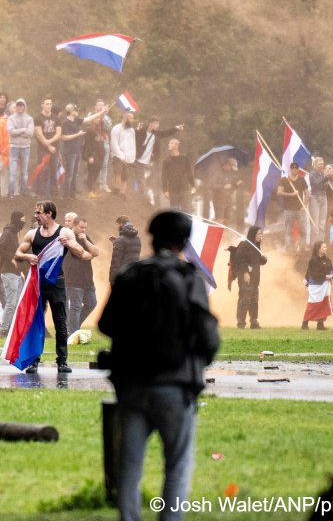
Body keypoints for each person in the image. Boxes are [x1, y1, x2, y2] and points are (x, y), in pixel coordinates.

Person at [98, 211, 219, 521]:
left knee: (129, 464)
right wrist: (196, 363)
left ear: (151, 238)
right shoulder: (188, 277)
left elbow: (107, 324)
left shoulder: (130, 275)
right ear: (185, 241)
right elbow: (208, 335)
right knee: (177, 466)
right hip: (176, 385)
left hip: (133, 386)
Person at [14, 201, 89, 373]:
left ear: (49, 214)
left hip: (56, 282)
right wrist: (27, 256)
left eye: (38, 212)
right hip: (37, 282)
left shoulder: (64, 232)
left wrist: (68, 244)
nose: (35, 215)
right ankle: (34, 361)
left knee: (60, 322)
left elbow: (80, 254)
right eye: (35, 212)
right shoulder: (32, 233)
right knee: (35, 322)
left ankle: (62, 361)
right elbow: (17, 253)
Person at [64, 216, 99, 336]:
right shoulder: (67, 237)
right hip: (73, 278)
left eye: (85, 227)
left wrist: (85, 241)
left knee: (92, 303)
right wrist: (88, 254)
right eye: (81, 227)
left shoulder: (84, 237)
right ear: (74, 225)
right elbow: (82, 255)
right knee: (75, 307)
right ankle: (72, 333)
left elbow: (96, 253)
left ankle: (73, 326)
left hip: (87, 279)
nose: (83, 230)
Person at [0, 210, 26, 337]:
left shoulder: (15, 233)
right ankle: (3, 330)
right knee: (11, 303)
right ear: (17, 220)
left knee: (17, 303)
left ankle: (12, 329)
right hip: (9, 273)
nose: (23, 222)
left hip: (16, 273)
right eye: (22, 220)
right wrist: (11, 259)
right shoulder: (8, 233)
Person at [231, 226, 267, 329]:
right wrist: (245, 273)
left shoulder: (256, 246)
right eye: (259, 234)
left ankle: (254, 322)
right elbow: (240, 261)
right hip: (245, 278)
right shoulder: (244, 245)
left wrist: (263, 260)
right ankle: (241, 322)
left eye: (261, 234)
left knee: (254, 300)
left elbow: (256, 261)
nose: (260, 236)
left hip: (255, 278)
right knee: (244, 300)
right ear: (253, 234)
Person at [301, 241, 333, 330]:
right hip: (315, 285)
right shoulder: (313, 260)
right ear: (318, 249)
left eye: (325, 247)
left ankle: (320, 324)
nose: (326, 248)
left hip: (326, 285)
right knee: (313, 305)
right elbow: (313, 273)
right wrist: (325, 276)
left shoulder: (328, 260)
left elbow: (332, 271)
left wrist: (332, 275)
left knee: (323, 304)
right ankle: (305, 323)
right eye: (324, 247)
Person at [109, 217, 141, 282]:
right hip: (134, 275)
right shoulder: (137, 239)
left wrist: (112, 280)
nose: (117, 227)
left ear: (121, 224)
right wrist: (116, 243)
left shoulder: (121, 240)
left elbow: (116, 262)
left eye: (117, 225)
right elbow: (130, 252)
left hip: (122, 276)